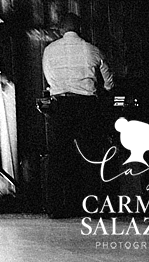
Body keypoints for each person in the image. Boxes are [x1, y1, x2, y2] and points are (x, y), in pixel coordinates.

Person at [41, 12, 113, 219]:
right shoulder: (92, 50)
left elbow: (49, 77)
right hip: (86, 106)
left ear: (61, 30)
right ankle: (91, 206)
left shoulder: (49, 51)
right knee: (90, 155)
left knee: (58, 156)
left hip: (60, 105)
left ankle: (56, 208)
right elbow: (108, 82)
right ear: (79, 29)